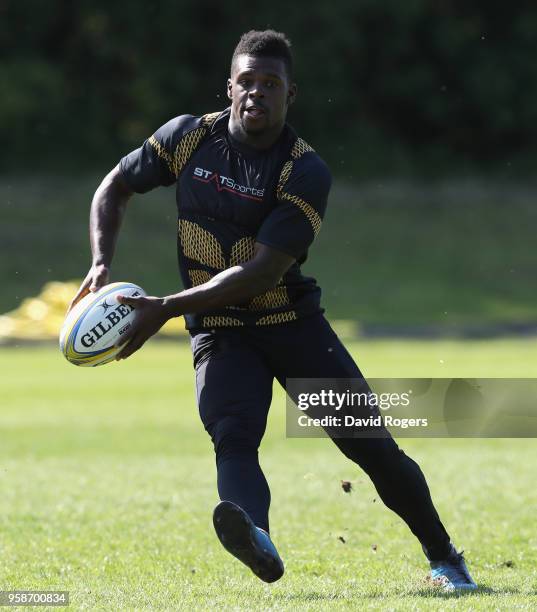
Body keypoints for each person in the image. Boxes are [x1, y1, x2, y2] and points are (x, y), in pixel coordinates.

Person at [71, 29, 477, 591]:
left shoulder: (304, 171)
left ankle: (445, 557)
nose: (256, 93)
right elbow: (115, 185)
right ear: (229, 87)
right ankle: (254, 537)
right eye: (247, 82)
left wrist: (163, 307)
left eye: (271, 84)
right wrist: (99, 263)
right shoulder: (188, 138)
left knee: (373, 450)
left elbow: (262, 271)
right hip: (219, 329)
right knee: (233, 434)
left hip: (291, 325)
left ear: (291, 95)